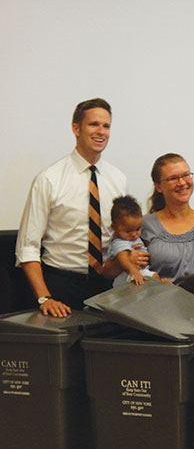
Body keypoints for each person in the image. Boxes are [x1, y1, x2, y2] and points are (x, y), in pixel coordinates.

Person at [15, 98, 127, 317]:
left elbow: (120, 235)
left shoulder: (118, 180)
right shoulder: (49, 179)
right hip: (61, 288)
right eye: (93, 124)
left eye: (106, 126)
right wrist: (45, 298)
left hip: (107, 288)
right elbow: (27, 246)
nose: (101, 131)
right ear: (76, 128)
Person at [142, 153, 194, 286]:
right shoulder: (144, 225)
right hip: (160, 304)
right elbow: (136, 272)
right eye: (173, 178)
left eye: (186, 175)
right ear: (158, 187)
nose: (182, 183)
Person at [108, 195, 166, 286]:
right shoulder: (119, 241)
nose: (134, 234)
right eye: (128, 231)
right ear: (114, 227)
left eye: (138, 229)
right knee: (153, 278)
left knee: (155, 278)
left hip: (138, 271)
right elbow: (123, 258)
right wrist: (133, 271)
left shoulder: (130, 238)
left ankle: (163, 284)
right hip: (126, 275)